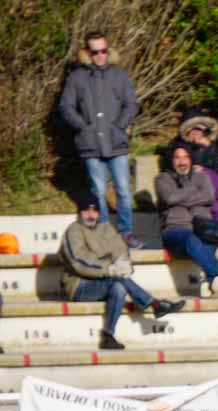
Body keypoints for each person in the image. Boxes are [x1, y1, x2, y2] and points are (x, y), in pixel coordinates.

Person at [61, 194, 184, 350]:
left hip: (105, 281)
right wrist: (109, 269)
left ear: (99, 213)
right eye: (86, 211)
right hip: (79, 284)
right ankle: (154, 303)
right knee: (117, 280)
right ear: (79, 213)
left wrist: (123, 263)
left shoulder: (105, 228)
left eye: (94, 211)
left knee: (119, 288)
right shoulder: (74, 231)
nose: (90, 215)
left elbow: (120, 248)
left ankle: (108, 335)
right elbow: (78, 261)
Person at [58, 30, 142, 249]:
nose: (100, 56)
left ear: (109, 50)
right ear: (87, 52)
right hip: (90, 145)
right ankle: (105, 235)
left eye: (104, 51)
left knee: (123, 190)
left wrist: (119, 125)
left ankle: (126, 233)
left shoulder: (120, 75)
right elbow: (66, 106)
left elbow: (131, 103)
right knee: (98, 192)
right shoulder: (76, 77)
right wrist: (82, 126)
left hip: (117, 143)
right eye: (95, 52)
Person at [155, 145, 218, 297]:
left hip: (203, 227)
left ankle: (212, 281)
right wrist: (195, 192)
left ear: (191, 160)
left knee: (208, 239)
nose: (182, 162)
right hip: (175, 231)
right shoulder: (162, 178)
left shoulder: (202, 176)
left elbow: (209, 196)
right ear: (171, 161)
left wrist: (180, 196)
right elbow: (169, 198)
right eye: (177, 158)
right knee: (191, 238)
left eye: (185, 157)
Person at [168, 108, 218, 244]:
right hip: (190, 186)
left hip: (212, 189)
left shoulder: (210, 146)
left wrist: (209, 149)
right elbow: (172, 168)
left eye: (199, 130)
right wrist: (193, 167)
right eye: (193, 130)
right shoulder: (177, 146)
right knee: (208, 174)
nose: (197, 133)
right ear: (186, 131)